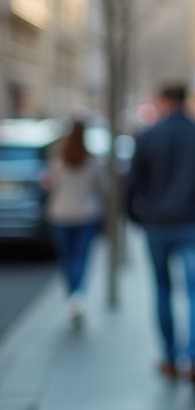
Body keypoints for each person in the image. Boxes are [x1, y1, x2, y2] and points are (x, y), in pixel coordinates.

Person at [125, 83, 195, 395]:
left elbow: (133, 183)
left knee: (162, 291)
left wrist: (137, 217)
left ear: (164, 101)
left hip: (158, 225)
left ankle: (169, 356)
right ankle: (192, 358)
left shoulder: (149, 135)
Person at [42, 119, 106, 330]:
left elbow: (51, 187)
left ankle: (73, 296)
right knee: (81, 258)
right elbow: (103, 188)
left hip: (61, 214)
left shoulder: (57, 160)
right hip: (86, 215)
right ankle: (78, 296)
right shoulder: (93, 161)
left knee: (67, 259)